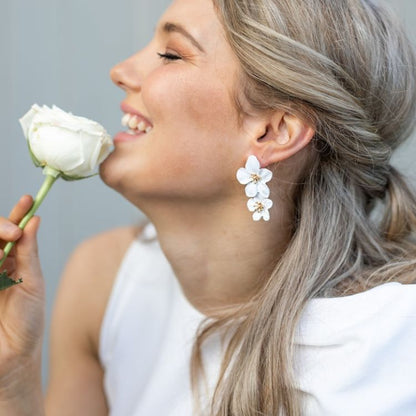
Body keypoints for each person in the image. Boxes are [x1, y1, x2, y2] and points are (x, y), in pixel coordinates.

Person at [1, 0, 416, 414]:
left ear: (274, 131)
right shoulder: (101, 278)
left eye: (172, 54)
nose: (121, 71)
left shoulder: (385, 346)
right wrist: (14, 380)